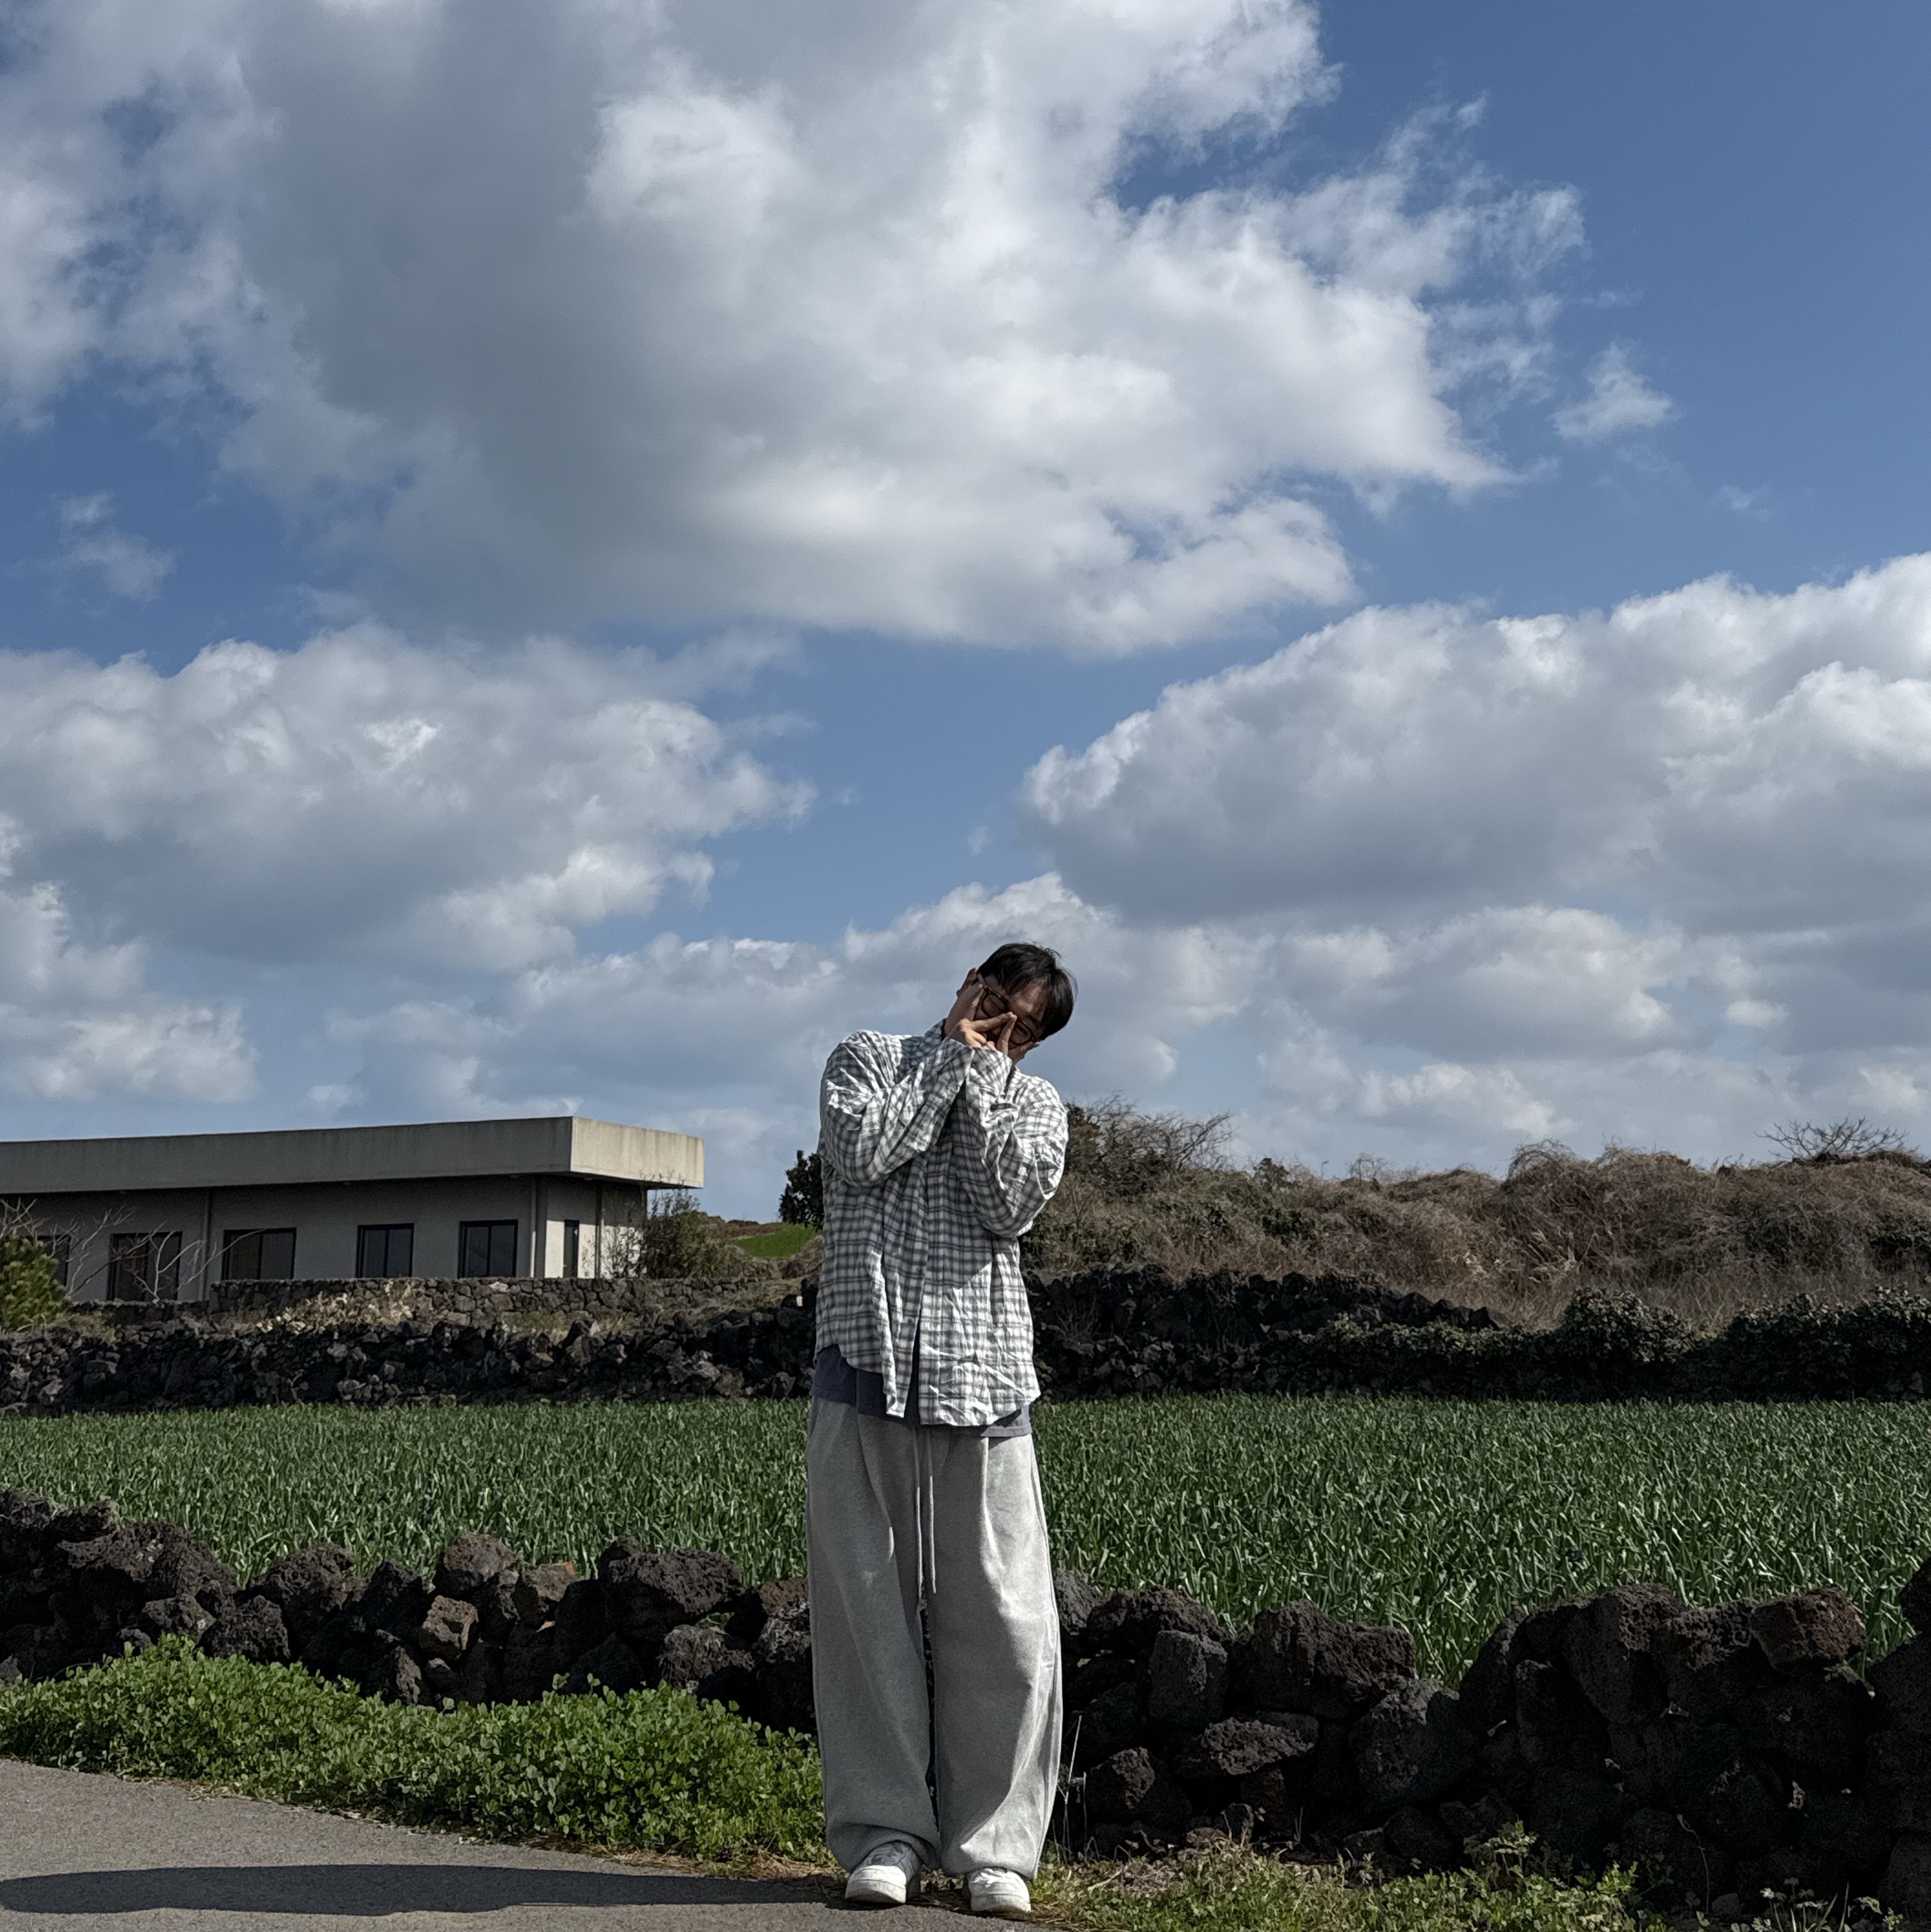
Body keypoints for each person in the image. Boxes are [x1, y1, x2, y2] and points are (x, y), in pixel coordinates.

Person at [807, 941, 1076, 1918]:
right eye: (995, 1001)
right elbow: (858, 1156)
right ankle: (883, 1836)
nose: (999, 1026)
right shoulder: (868, 1057)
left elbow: (1008, 1204)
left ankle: (995, 1849)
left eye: (1022, 1027)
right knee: (864, 1614)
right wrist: (946, 1066)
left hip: (985, 1376)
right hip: (863, 1366)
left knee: (1007, 1618)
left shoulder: (1034, 1105)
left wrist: (984, 1082)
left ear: (1034, 1044)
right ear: (969, 981)